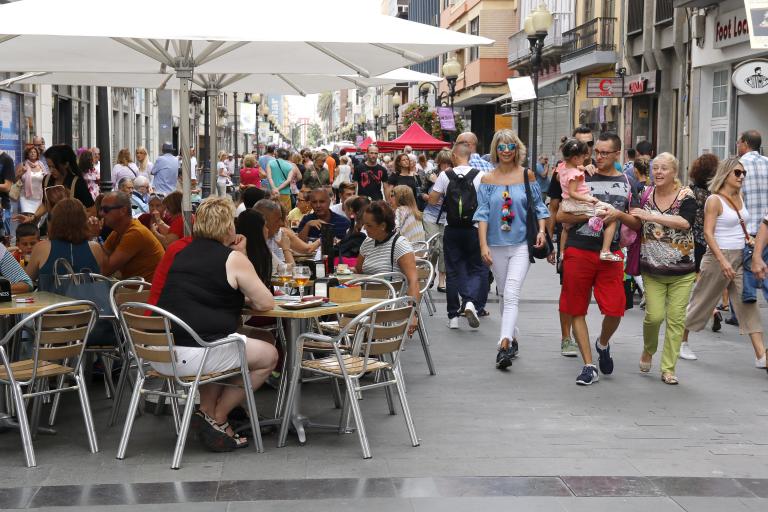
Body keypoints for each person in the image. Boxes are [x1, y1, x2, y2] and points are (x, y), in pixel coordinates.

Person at [155, 197, 277, 451]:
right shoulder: (231, 258)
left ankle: (206, 410)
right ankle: (217, 417)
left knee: (227, 337)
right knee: (269, 356)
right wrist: (242, 256)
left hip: (161, 351)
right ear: (229, 227)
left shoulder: (181, 252)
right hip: (197, 355)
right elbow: (265, 303)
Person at [556, 132, 641, 386]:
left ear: (617, 154)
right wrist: (591, 214)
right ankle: (588, 364)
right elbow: (561, 216)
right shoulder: (582, 174)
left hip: (610, 254)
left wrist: (616, 215)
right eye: (597, 151)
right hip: (579, 248)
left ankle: (602, 343)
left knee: (616, 308)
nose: (599, 156)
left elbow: (636, 222)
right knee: (576, 308)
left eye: (605, 152)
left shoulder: (629, 182)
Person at [682, 157, 767, 369]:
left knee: (748, 303)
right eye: (737, 173)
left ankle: (760, 355)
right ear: (726, 175)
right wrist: (722, 260)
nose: (742, 177)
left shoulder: (740, 197)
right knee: (702, 302)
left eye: (743, 173)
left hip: (740, 256)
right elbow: (708, 233)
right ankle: (681, 341)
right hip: (717, 257)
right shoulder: (714, 200)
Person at [474, 130, 549, 369]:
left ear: (517, 150)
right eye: (501, 147)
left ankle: (504, 344)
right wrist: (483, 244)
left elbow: (539, 207)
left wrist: (541, 231)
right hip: (495, 246)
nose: (506, 151)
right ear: (495, 150)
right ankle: (513, 337)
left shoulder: (527, 175)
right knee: (505, 295)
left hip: (520, 245)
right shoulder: (486, 179)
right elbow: (482, 214)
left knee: (512, 293)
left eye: (511, 147)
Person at [629, 153, 697, 385]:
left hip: (683, 271)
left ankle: (668, 368)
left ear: (674, 172)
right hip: (653, 269)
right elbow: (634, 217)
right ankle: (649, 349)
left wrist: (651, 216)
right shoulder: (645, 193)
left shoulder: (686, 195)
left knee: (676, 320)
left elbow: (685, 222)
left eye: (664, 168)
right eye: (655, 168)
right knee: (654, 317)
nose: (658, 172)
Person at [428, 141, 489, 330]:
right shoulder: (481, 175)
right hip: (474, 227)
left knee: (452, 271)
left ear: (454, 156)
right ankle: (470, 301)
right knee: (477, 268)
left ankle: (453, 316)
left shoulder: (445, 176)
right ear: (469, 156)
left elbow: (432, 200)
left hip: (452, 228)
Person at [355, 200, 419, 335]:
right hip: (365, 302)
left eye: (369, 225)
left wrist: (413, 313)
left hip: (387, 306)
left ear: (382, 226)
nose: (364, 228)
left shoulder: (399, 245)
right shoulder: (367, 242)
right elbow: (358, 271)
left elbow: (413, 281)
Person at [679, 153, 720, 360]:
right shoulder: (714, 195)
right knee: (702, 281)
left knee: (696, 280)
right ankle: (711, 310)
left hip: (691, 241)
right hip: (709, 242)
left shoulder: (690, 192)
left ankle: (706, 311)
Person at [557, 138, 622, 262]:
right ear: (575, 158)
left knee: (566, 227)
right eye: (583, 157)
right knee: (611, 213)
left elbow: (563, 178)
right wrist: (589, 198)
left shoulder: (562, 167)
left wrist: (581, 167)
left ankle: (562, 253)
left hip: (568, 204)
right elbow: (572, 192)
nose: (586, 159)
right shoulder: (575, 174)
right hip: (577, 203)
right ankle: (605, 251)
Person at [25, 199, 106, 282]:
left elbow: (26, 282)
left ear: (54, 221)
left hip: (51, 294)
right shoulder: (95, 248)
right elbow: (101, 279)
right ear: (83, 221)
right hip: (88, 294)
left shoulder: (42, 248)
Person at [15, 145, 95, 227]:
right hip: (53, 229)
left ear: (66, 164)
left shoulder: (77, 182)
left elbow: (92, 210)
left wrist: (75, 221)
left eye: (54, 167)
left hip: (73, 233)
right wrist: (32, 217)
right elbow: (45, 204)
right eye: (49, 166)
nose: (51, 170)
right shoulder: (47, 179)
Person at [100, 191, 165, 282]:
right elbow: (99, 262)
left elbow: (105, 270)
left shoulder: (135, 233)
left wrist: (95, 236)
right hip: (135, 289)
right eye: (101, 209)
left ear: (123, 210)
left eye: (106, 210)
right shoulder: (118, 231)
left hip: (147, 292)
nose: (101, 214)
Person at [737, 130, 768, 305]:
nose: (737, 146)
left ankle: (745, 301)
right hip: (767, 227)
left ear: (745, 143)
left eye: (738, 142)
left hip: (747, 228)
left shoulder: (738, 166)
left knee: (745, 267)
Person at [422, 149, 451, 292]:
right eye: (443, 164)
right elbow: (421, 191)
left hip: (447, 217)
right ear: (439, 163)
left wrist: (439, 183)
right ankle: (430, 274)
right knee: (433, 247)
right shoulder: (430, 174)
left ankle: (442, 280)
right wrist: (428, 197)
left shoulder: (454, 176)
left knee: (444, 248)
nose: (445, 167)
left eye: (448, 164)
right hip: (430, 215)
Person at [236, 209, 273, 289]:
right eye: (265, 226)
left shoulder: (263, 252)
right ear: (258, 230)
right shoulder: (237, 253)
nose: (267, 230)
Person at [17, 146, 46, 215]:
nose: (33, 153)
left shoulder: (41, 165)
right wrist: (22, 172)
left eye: (34, 152)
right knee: (27, 218)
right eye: (30, 152)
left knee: (36, 220)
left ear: (37, 154)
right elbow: (15, 179)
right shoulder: (22, 165)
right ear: (27, 154)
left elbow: (46, 179)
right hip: (25, 197)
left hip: (39, 197)